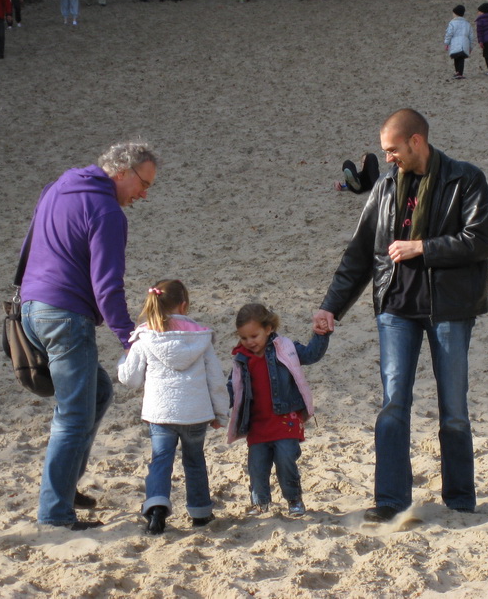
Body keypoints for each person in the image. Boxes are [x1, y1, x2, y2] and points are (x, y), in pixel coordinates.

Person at [313, 108, 488, 523]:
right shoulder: (383, 188)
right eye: (384, 151)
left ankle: (460, 499)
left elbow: (480, 240)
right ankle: (391, 500)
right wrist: (330, 306)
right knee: (393, 403)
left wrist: (423, 248)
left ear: (416, 141)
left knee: (453, 409)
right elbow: (359, 255)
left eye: (392, 149)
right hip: (395, 309)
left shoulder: (465, 179)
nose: (388, 157)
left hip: (449, 309)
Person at [20, 142, 159, 531]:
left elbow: (29, 245)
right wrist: (129, 338)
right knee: (73, 414)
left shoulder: (59, 186)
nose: (144, 194)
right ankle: (55, 514)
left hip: (31, 309)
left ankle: (64, 486)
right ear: (123, 172)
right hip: (65, 316)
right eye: (143, 184)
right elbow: (108, 285)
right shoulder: (108, 212)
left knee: (98, 393)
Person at [118, 280, 229, 535]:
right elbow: (215, 379)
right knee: (194, 461)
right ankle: (201, 512)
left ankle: (156, 507)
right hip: (196, 413)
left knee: (160, 461)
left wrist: (123, 358)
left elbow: (130, 379)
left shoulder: (145, 336)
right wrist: (220, 412)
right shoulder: (200, 336)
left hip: (160, 413)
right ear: (184, 305)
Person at [227, 304, 329, 517]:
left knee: (285, 460)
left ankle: (294, 499)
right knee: (257, 466)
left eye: (254, 336)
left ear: (269, 328)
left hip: (285, 420)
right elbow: (232, 388)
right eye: (244, 338)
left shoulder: (285, 348)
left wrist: (321, 334)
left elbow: (311, 355)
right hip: (257, 423)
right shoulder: (241, 358)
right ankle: (259, 502)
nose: (249, 342)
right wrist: (218, 410)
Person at [444, 4, 473, 79]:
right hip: (464, 43)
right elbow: (471, 36)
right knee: (461, 58)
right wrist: (470, 46)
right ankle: (458, 72)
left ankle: (459, 72)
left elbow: (449, 33)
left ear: (456, 14)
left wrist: (446, 43)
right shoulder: (467, 24)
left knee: (456, 57)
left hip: (455, 43)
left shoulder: (452, 23)